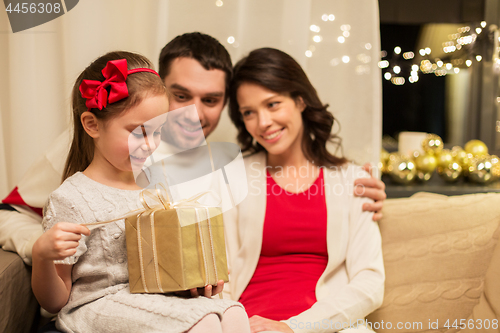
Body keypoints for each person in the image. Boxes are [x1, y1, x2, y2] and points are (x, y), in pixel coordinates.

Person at [0, 32, 386, 270]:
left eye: (211, 99)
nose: (193, 113)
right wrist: (44, 250)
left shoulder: (220, 163)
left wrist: (358, 190)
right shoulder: (98, 140)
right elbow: (10, 214)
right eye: (180, 95)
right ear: (156, 91)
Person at [31, 51, 250, 333]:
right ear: (92, 125)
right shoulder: (71, 199)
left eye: (157, 131)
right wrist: (42, 256)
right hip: (95, 307)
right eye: (138, 132)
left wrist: (195, 280)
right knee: (203, 323)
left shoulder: (158, 187)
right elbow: (55, 301)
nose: (149, 145)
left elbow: (164, 270)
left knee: (233, 312)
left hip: (151, 299)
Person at [223, 47, 385, 333]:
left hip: (327, 327)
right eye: (249, 112)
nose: (263, 123)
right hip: (248, 325)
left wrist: (293, 327)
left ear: (300, 101)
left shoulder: (353, 180)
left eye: (272, 104)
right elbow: (217, 278)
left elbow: (370, 283)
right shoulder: (233, 178)